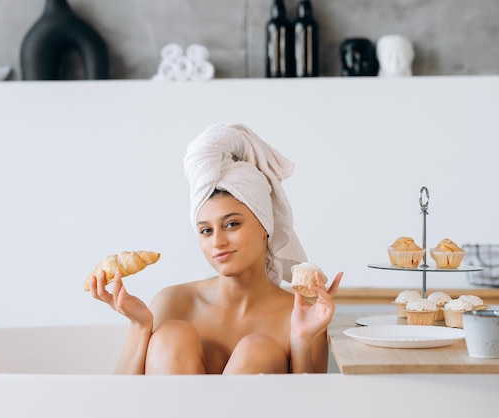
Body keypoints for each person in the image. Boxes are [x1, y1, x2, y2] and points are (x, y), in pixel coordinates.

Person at [88, 123, 343, 374]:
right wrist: (140, 325)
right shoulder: (173, 303)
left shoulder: (299, 315)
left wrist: (301, 339)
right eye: (206, 231)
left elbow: (307, 407)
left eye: (232, 224)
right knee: (172, 335)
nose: (217, 242)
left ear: (265, 226)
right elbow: (121, 398)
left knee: (259, 349)